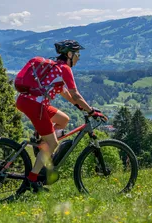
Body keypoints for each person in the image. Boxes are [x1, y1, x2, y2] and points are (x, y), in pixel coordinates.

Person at [15, 40, 107, 192]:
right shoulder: (64, 68)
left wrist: (81, 107)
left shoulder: (56, 67)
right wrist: (91, 111)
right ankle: (32, 180)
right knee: (53, 143)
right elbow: (75, 94)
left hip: (28, 101)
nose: (78, 58)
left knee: (63, 120)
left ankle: (40, 140)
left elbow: (65, 93)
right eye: (77, 54)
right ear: (69, 54)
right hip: (35, 105)